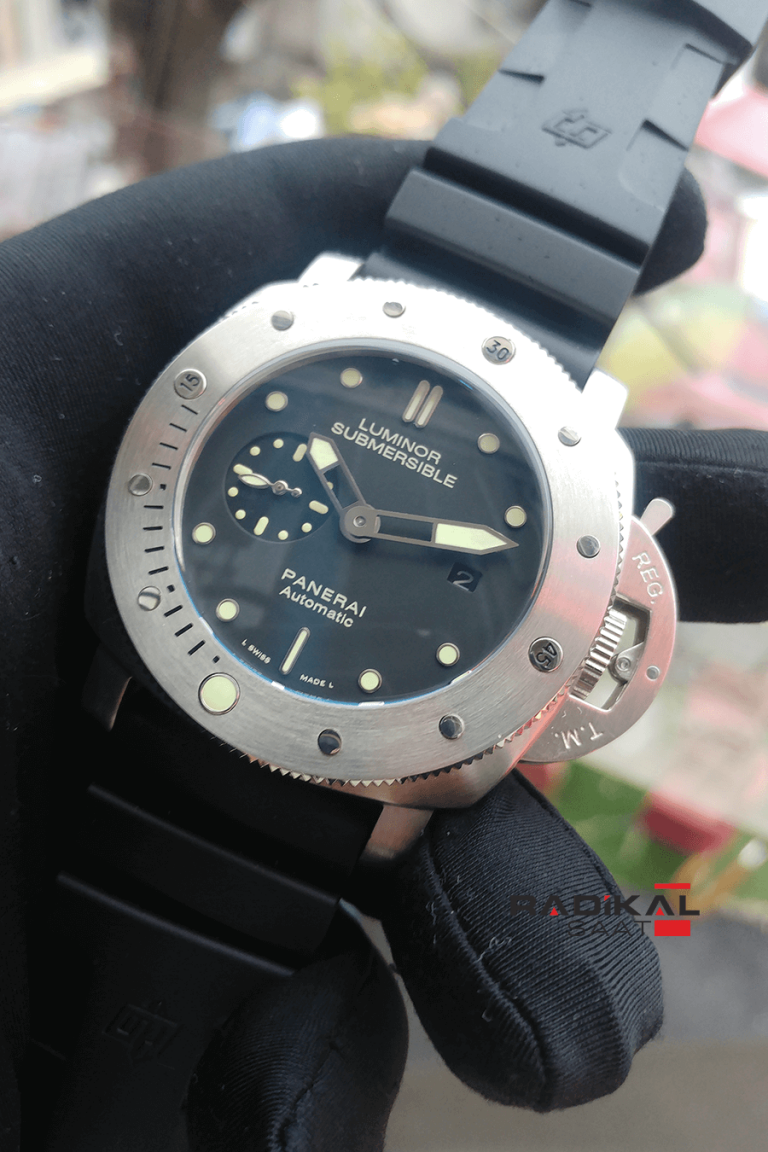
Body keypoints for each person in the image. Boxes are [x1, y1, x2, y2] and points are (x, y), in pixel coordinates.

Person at [1, 134, 766, 1152]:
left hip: (213, 739)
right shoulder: (317, 305)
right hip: (144, 687)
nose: (357, 527)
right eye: (347, 509)